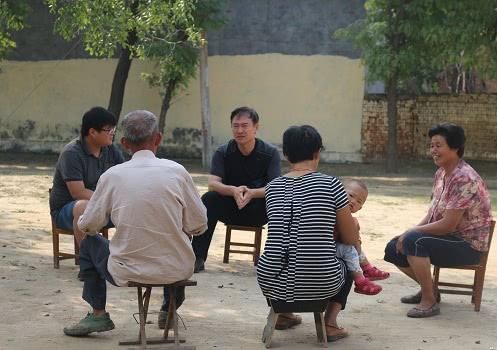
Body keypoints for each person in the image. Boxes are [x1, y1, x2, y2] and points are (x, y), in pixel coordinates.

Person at [63, 110, 207, 337]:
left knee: (90, 243)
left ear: (124, 143)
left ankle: (98, 314)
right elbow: (199, 225)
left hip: (126, 270)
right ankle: (171, 303)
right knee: (182, 235)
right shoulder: (178, 172)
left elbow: (89, 225)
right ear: (158, 138)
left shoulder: (112, 176)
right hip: (176, 268)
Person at [257, 125, 359, 341]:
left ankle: (283, 312)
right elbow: (349, 238)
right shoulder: (332, 185)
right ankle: (330, 323)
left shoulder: (272, 187)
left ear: (285, 154)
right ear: (317, 153)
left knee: (279, 256)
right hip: (321, 281)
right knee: (349, 254)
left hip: (270, 280)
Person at [384, 123, 492, 318]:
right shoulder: (442, 174)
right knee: (393, 247)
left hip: (467, 246)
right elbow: (433, 213)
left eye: (438, 145)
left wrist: (411, 234)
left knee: (412, 241)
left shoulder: (464, 178)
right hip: (448, 238)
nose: (433, 150)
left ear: (455, 148)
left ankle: (429, 301)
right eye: (431, 145)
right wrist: (410, 230)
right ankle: (431, 290)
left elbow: (448, 224)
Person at [191, 106, 281, 272]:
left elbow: (275, 187)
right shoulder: (222, 152)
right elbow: (213, 183)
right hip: (230, 208)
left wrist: (253, 193)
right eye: (235, 125)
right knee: (209, 198)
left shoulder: (270, 153)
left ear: (256, 127)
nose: (240, 130)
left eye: (245, 125)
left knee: (280, 201)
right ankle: (197, 257)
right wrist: (233, 190)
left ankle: (274, 260)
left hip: (258, 210)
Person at [49, 107, 124, 246]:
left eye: (114, 129)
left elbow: (125, 178)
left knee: (135, 206)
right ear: (92, 132)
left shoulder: (111, 150)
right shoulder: (72, 153)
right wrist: (107, 201)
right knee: (84, 207)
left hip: (102, 204)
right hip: (67, 210)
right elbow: (78, 193)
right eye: (108, 130)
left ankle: (126, 257)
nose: (113, 133)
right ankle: (88, 261)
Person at [334, 179, 384, 295]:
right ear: (338, 193)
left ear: (359, 209)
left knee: (351, 249)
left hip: (334, 247)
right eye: (351, 195)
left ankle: (367, 268)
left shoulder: (350, 219)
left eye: (359, 201)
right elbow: (349, 241)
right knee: (349, 250)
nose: (353, 201)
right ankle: (361, 280)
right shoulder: (332, 210)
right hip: (322, 248)